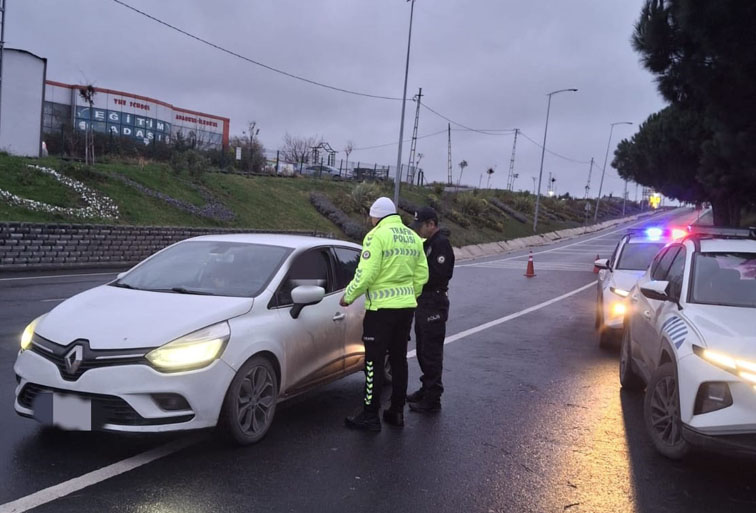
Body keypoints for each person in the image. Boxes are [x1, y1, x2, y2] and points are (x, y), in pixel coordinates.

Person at [341, 197, 429, 432]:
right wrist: (410, 295)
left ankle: (370, 415)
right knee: (399, 360)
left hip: (380, 311)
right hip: (406, 309)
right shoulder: (413, 237)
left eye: (371, 217)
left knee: (373, 363)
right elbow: (422, 275)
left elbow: (366, 273)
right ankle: (396, 412)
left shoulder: (376, 236)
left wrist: (348, 295)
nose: (370, 221)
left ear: (376, 216)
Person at [407, 206, 454, 413]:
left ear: (431, 224)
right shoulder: (428, 244)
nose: (419, 230)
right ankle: (426, 388)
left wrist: (416, 276)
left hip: (434, 301)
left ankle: (433, 397)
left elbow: (438, 274)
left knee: (432, 352)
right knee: (422, 349)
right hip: (423, 301)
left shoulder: (441, 244)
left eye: (421, 226)